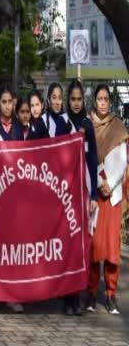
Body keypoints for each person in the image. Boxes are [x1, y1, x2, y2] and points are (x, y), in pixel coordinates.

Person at [87, 84, 128, 315]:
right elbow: (87, 159)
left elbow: (122, 161)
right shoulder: (88, 126)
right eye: (99, 99)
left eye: (105, 99)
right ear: (95, 101)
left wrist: (109, 184)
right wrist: (97, 183)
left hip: (112, 197)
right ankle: (92, 294)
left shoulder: (118, 127)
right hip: (95, 195)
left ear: (110, 101)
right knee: (94, 249)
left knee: (112, 250)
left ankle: (111, 295)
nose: (102, 103)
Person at [0, 86, 24, 313]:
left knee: (14, 246)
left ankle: (12, 294)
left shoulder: (20, 129)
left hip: (16, 195)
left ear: (15, 103)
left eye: (11, 102)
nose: (8, 106)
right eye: (4, 102)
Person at [65, 79, 99, 316]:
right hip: (65, 195)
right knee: (67, 246)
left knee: (81, 247)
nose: (76, 103)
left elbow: (93, 160)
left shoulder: (88, 125)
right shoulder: (63, 124)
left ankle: (78, 296)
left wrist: (94, 194)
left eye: (79, 99)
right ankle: (67, 298)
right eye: (72, 99)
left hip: (84, 192)